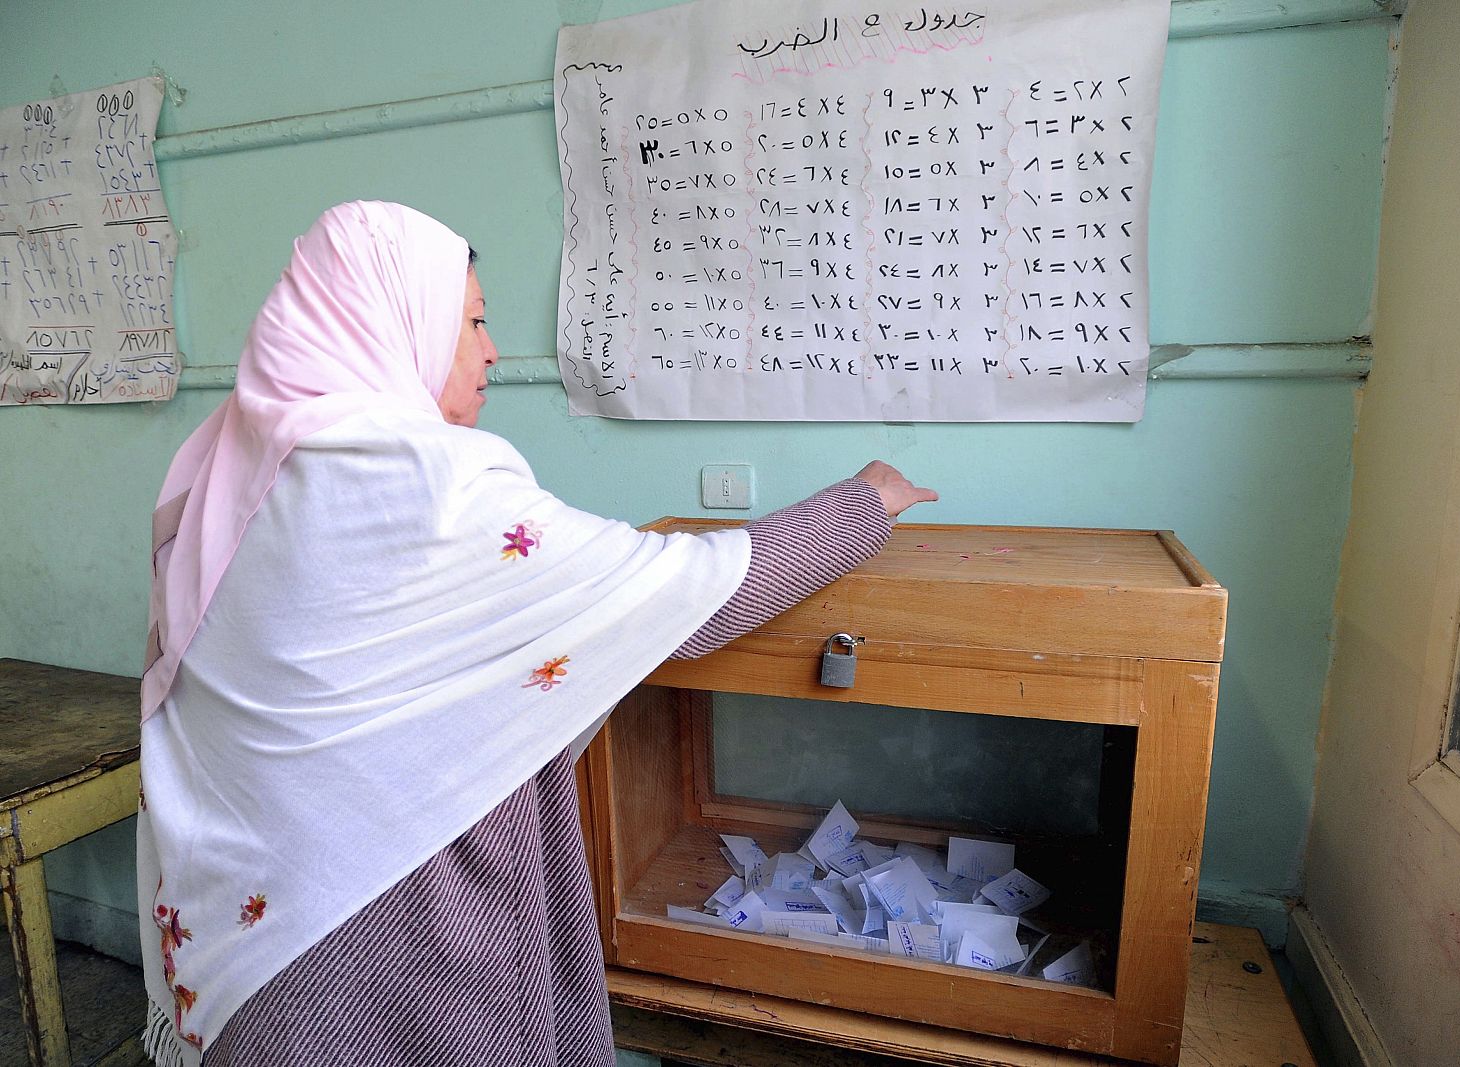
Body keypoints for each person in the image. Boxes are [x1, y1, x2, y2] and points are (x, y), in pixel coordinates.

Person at [136, 200, 935, 1066]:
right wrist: (865, 503)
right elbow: (683, 594)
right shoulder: (424, 482)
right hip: (386, 936)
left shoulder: (228, 464)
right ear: (398, 324)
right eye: (471, 320)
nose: (491, 350)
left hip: (251, 929)